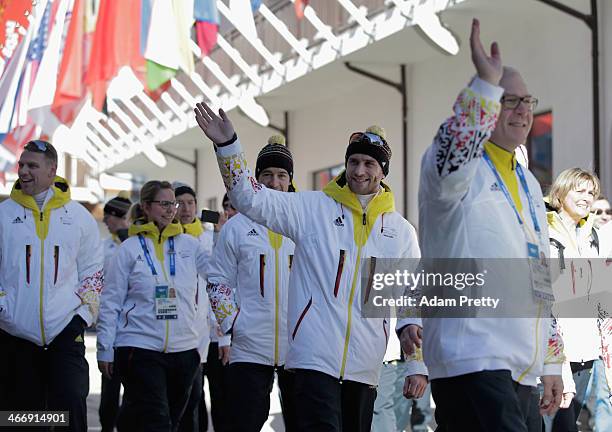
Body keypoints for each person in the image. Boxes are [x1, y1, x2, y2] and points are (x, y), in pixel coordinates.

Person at [194, 99, 427, 431]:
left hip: (365, 361)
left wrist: (414, 357)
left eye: (369, 164)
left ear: (383, 171)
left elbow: (411, 292)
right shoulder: (311, 208)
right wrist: (227, 146)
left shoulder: (400, 231)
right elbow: (248, 198)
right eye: (354, 162)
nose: (360, 171)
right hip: (313, 356)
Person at [399, 19, 564, 431]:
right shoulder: (453, 167)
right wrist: (485, 87)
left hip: (520, 363)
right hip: (471, 354)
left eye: (527, 100)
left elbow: (539, 270)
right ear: (487, 106)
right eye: (510, 101)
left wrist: (549, 359)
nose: (524, 110)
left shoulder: (526, 179)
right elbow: (455, 149)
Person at [0, 139, 103, 431]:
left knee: (70, 404)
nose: (24, 171)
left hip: (65, 334)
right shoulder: (4, 215)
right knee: (20, 417)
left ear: (52, 171)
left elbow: (93, 272)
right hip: (14, 336)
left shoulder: (79, 218)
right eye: (21, 165)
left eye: (32, 166)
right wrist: (4, 312)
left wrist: (82, 318)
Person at [96, 180, 210, 432]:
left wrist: (224, 233)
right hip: (140, 347)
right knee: (155, 420)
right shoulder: (129, 249)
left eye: (174, 203)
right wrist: (105, 348)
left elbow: (220, 273)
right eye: (165, 203)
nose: (172, 209)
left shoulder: (190, 246)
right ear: (146, 207)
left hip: (184, 351)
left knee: (168, 419)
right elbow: (111, 300)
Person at [206, 135, 297, 431]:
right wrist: (234, 323)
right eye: (267, 175)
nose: (274, 182)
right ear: (255, 179)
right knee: (244, 422)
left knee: (303, 422)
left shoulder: (304, 224)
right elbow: (217, 280)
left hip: (299, 347)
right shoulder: (237, 227)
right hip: (249, 347)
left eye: (282, 175)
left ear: (290, 180)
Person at [546, 168, 610, 431]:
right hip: (553, 353)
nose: (587, 197)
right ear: (561, 193)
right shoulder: (543, 231)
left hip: (586, 352)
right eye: (579, 190)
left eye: (591, 192)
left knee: (567, 424)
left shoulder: (593, 236)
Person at [173, 181, 231, 432]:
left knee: (219, 398)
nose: (186, 209)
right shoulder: (167, 242)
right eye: (179, 203)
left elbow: (223, 280)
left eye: (190, 203)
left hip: (215, 335)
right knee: (190, 400)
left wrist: (225, 332)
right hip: (184, 334)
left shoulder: (209, 237)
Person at [99, 192, 132, 432]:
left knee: (134, 393)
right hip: (111, 326)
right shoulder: (104, 246)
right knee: (109, 390)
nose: (104, 222)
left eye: (107, 216)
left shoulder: (137, 242)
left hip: (133, 329)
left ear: (118, 217)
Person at [372, 317, 433, 432]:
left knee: (420, 411)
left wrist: (417, 364)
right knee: (396, 411)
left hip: (418, 354)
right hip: (397, 355)